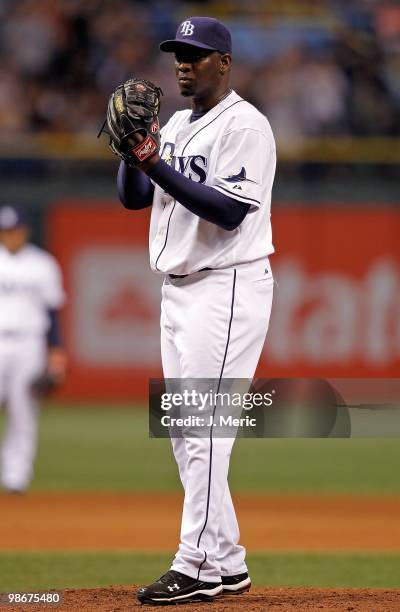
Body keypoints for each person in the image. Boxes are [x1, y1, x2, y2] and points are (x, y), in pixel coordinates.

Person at [117, 17, 276, 605]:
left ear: (224, 63)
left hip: (227, 286)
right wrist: (134, 153)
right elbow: (135, 199)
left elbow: (228, 212)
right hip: (177, 289)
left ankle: (195, 564)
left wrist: (156, 161)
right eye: (179, 53)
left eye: (197, 54)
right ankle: (227, 560)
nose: (184, 63)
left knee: (206, 431)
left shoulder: (246, 126)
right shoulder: (179, 123)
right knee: (186, 433)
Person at [0, 204, 66, 493]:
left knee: (23, 409)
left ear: (25, 231)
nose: (11, 236)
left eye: (15, 230)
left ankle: (16, 477)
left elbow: (53, 312)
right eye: (5, 231)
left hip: (29, 342)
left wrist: (56, 352)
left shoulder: (43, 264)